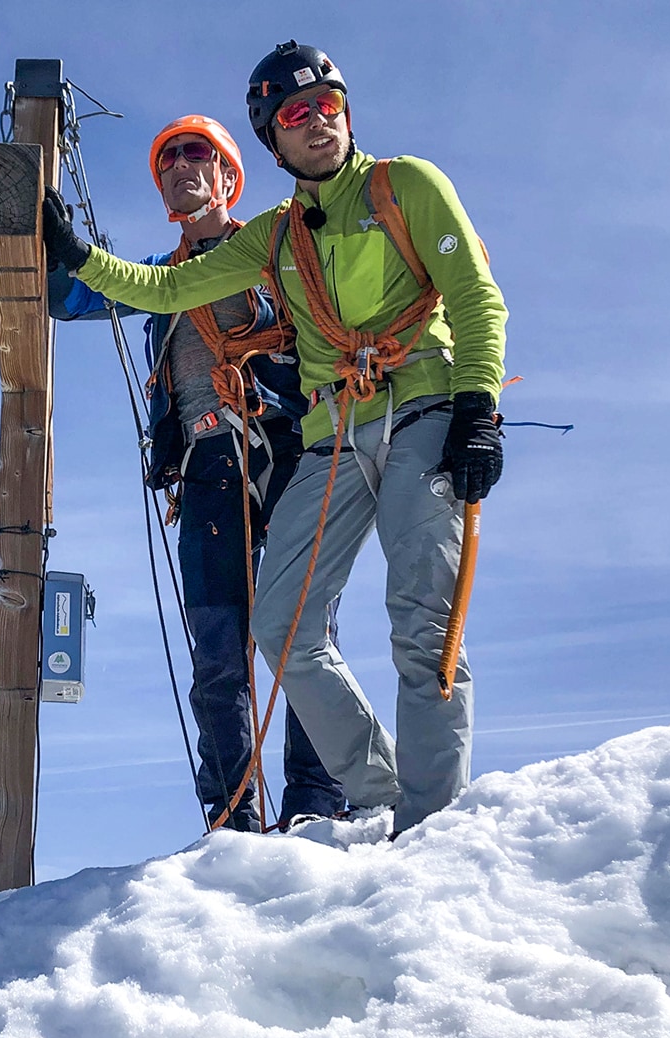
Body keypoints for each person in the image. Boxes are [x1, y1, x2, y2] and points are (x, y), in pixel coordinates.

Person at [41, 42, 508, 837]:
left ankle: (424, 825)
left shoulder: (406, 187)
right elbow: (166, 287)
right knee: (276, 630)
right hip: (325, 439)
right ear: (271, 136)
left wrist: (479, 408)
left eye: (328, 103)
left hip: (418, 410)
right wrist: (78, 255)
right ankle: (380, 789)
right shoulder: (276, 238)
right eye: (296, 112)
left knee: (422, 618)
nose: (318, 119)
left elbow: (474, 295)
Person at [49, 116, 347, 833]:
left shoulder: (280, 258)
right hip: (207, 470)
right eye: (169, 160)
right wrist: (52, 238)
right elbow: (69, 300)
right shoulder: (159, 277)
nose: (181, 165)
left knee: (304, 637)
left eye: (198, 154)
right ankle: (231, 817)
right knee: (218, 656)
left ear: (228, 176)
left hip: (289, 455)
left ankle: (315, 804)